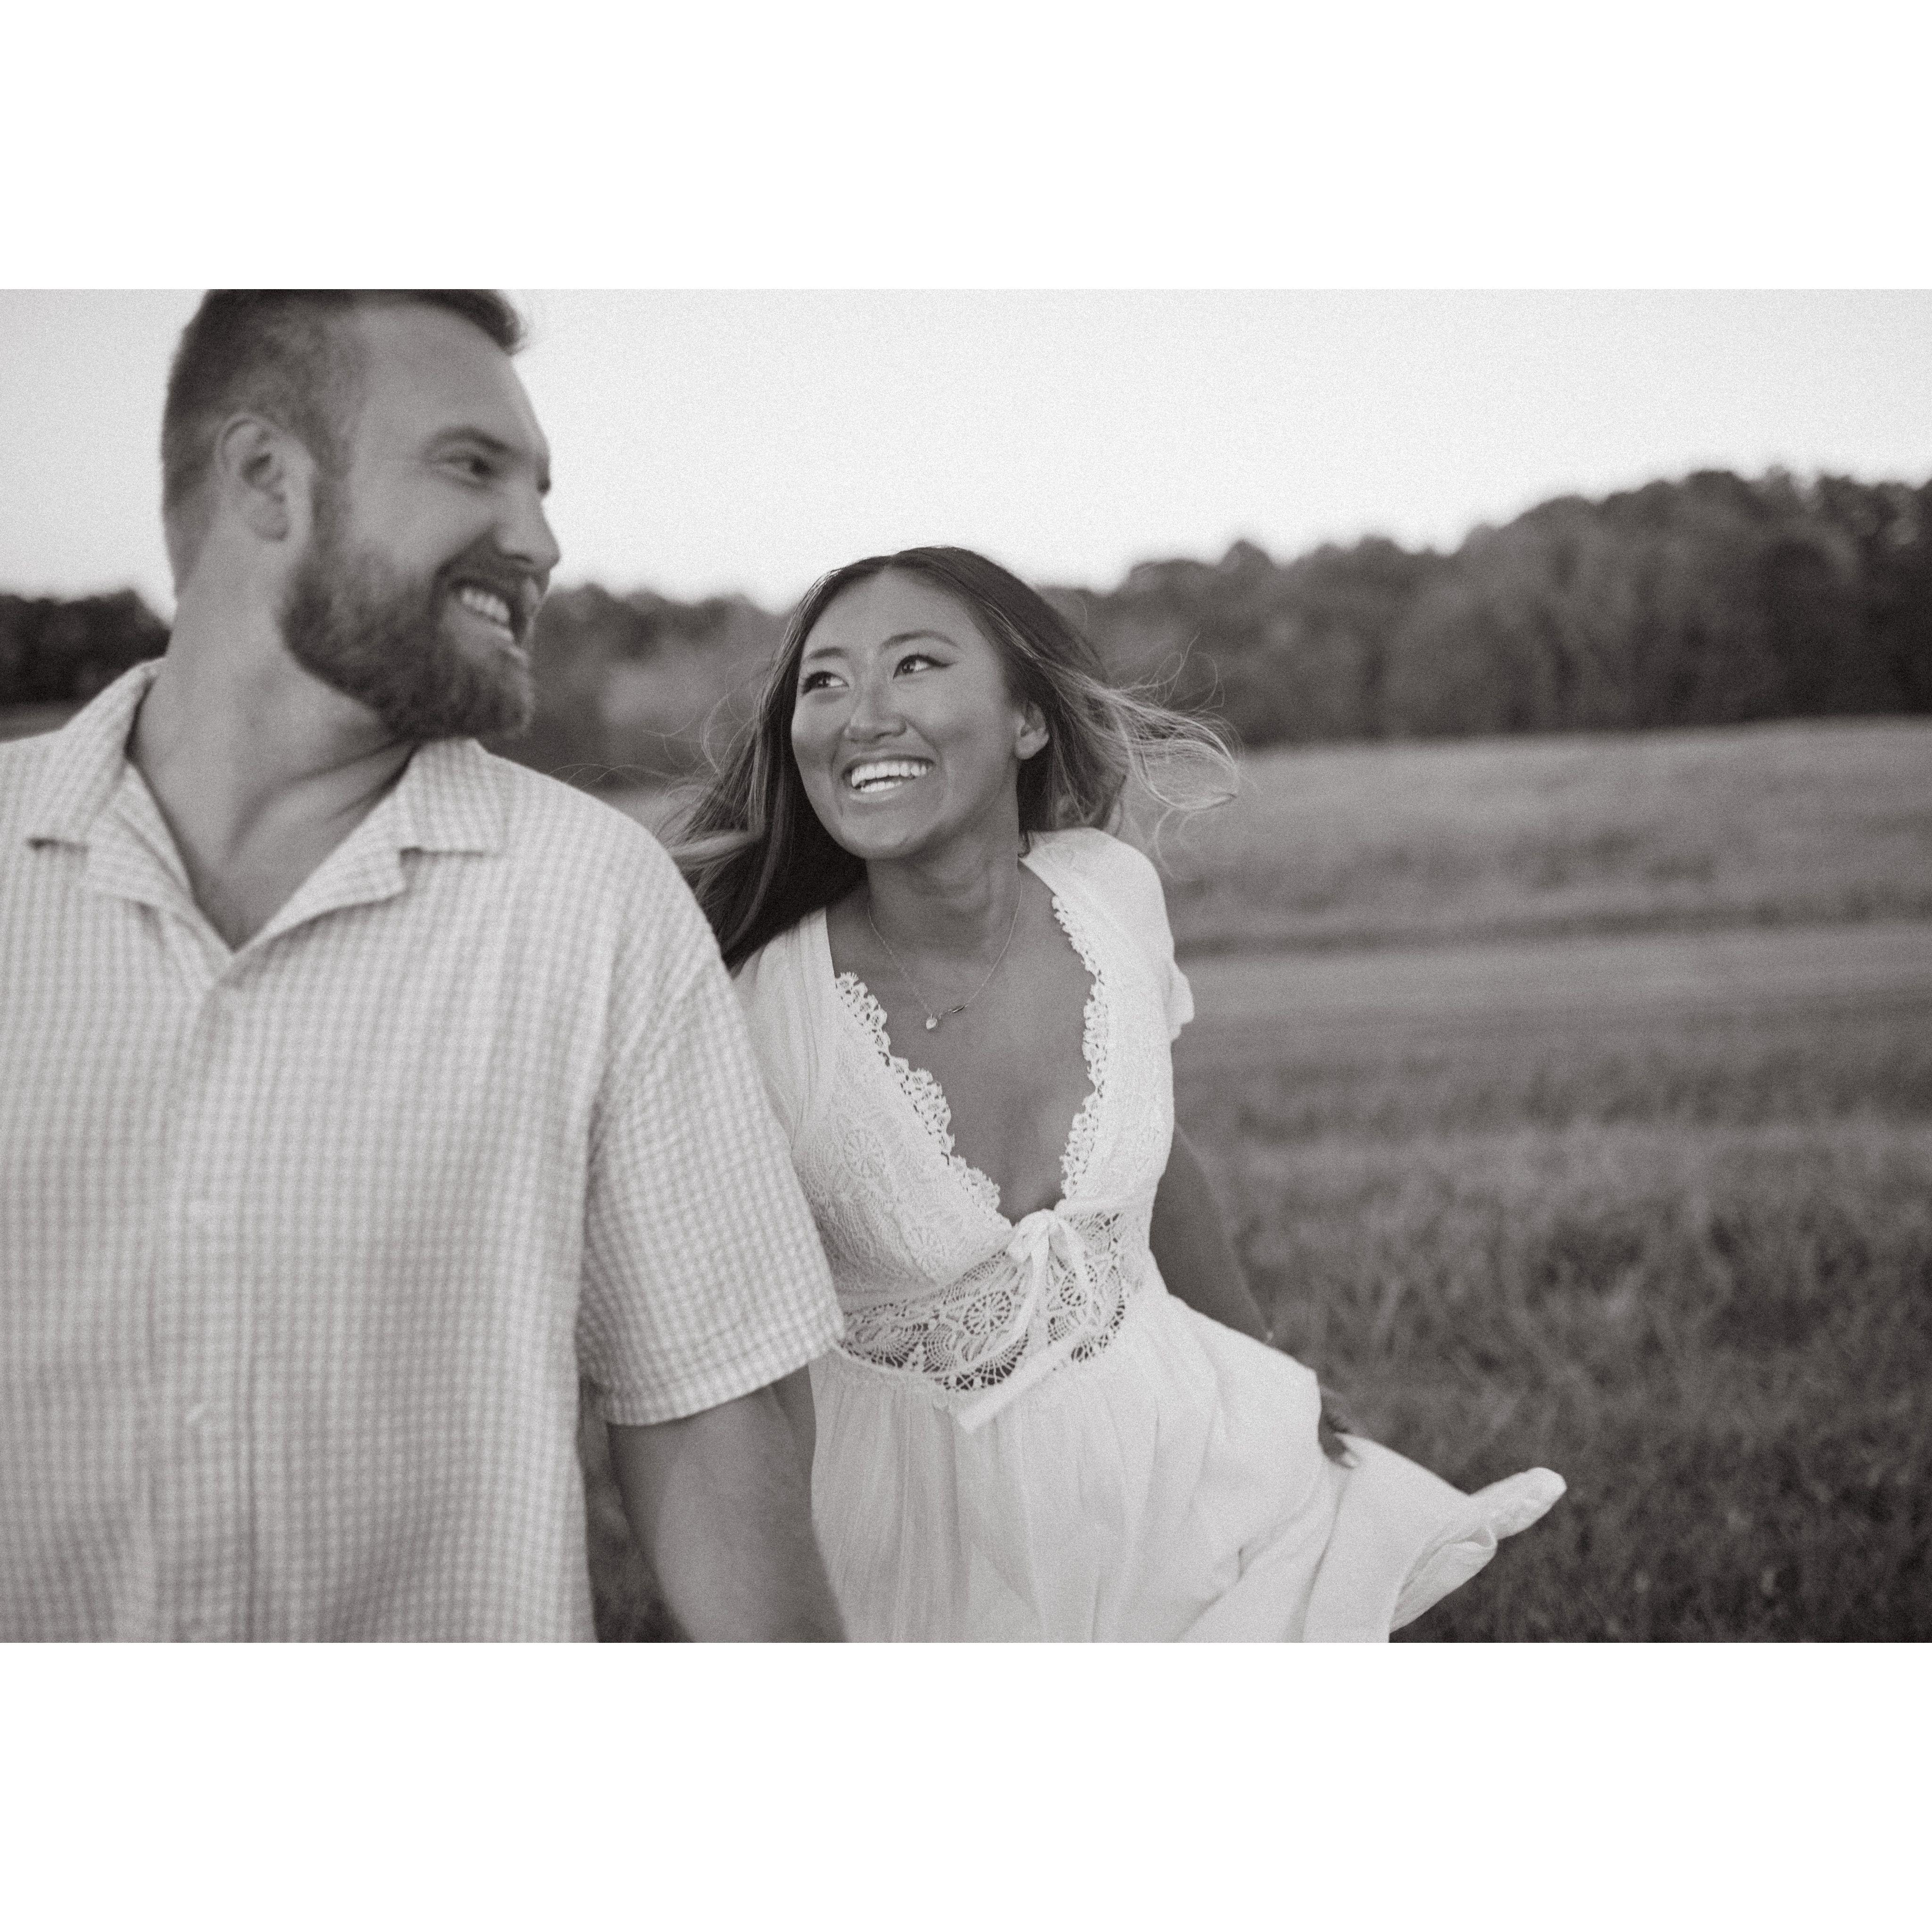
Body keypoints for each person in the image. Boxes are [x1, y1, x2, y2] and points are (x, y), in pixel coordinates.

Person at [0, 291, 845, 1641]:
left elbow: (709, 1411)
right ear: (267, 478)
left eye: (541, 488)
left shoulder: (593, 899)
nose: (542, 541)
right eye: (473, 466)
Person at [676, 546, 1564, 1640]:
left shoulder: (1107, 891)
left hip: (1178, 1457)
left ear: (1026, 720)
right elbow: (733, 1371)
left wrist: (1273, 1379)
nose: (861, 714)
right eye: (824, 680)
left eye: (914, 664)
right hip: (915, 1546)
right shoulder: (758, 1009)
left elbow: (1158, 1159)